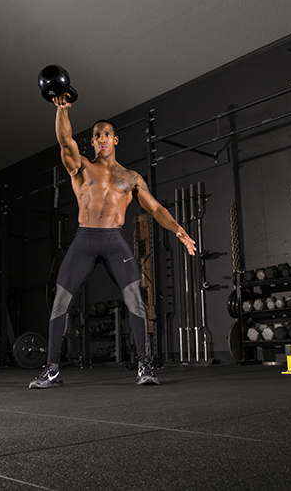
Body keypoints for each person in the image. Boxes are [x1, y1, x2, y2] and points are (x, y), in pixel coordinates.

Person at [29, 93, 196, 389]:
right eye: (96, 135)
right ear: (91, 142)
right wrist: (62, 111)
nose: (102, 139)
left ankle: (145, 366)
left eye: (107, 134)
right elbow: (65, 141)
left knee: (136, 300)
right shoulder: (80, 167)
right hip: (85, 239)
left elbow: (155, 208)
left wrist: (178, 230)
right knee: (60, 303)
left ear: (115, 140)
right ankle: (52, 369)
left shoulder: (130, 178)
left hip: (114, 240)